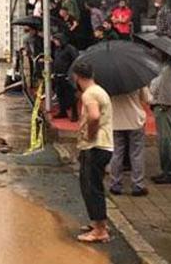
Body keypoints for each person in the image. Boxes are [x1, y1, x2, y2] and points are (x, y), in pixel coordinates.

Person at [71, 61, 114, 243]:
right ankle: (98, 223)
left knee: (91, 188)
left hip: (95, 147)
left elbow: (94, 116)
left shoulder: (89, 95)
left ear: (77, 77)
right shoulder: (98, 90)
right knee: (94, 185)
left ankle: (100, 230)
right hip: (103, 146)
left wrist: (89, 134)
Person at [109, 87, 151, 197]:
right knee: (137, 153)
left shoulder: (108, 81)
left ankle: (115, 184)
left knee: (116, 153)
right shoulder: (137, 80)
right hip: (135, 121)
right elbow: (147, 98)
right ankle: (137, 184)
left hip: (116, 121)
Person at [149, 53, 171, 184]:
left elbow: (168, 94)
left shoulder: (168, 71)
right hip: (161, 107)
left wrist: (159, 104)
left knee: (167, 140)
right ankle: (167, 170)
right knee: (163, 141)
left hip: (165, 108)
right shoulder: (163, 69)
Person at [52, 33, 78, 120]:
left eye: (56, 40)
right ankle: (63, 111)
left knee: (70, 95)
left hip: (67, 75)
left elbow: (75, 60)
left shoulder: (70, 49)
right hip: (58, 75)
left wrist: (70, 73)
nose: (55, 42)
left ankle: (74, 113)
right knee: (60, 94)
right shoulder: (57, 49)